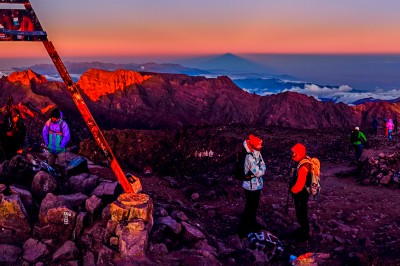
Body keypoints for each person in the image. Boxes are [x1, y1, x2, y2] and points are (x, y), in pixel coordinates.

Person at [237, 134, 266, 238]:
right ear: (254, 145)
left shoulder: (257, 153)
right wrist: (261, 170)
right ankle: (243, 228)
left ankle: (251, 225)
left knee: (253, 206)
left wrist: (261, 170)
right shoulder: (249, 157)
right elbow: (258, 171)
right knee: (250, 207)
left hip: (256, 185)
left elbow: (263, 166)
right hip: (250, 187)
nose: (261, 146)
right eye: (259, 144)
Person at [290, 143, 312, 242]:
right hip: (303, 193)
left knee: (302, 212)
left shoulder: (303, 166)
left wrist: (292, 191)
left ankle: (304, 234)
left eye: (294, 152)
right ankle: (302, 229)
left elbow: (299, 184)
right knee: (301, 211)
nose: (293, 154)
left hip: (301, 194)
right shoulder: (304, 161)